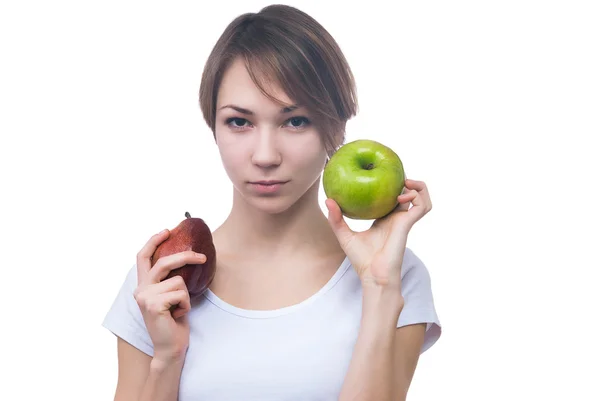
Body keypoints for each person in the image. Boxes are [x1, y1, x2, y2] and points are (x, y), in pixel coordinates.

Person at [102, 4, 442, 400]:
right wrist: (167, 356)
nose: (265, 155)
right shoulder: (161, 278)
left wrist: (380, 287)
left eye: (295, 121)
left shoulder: (396, 276)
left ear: (337, 128)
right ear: (213, 126)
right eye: (239, 121)